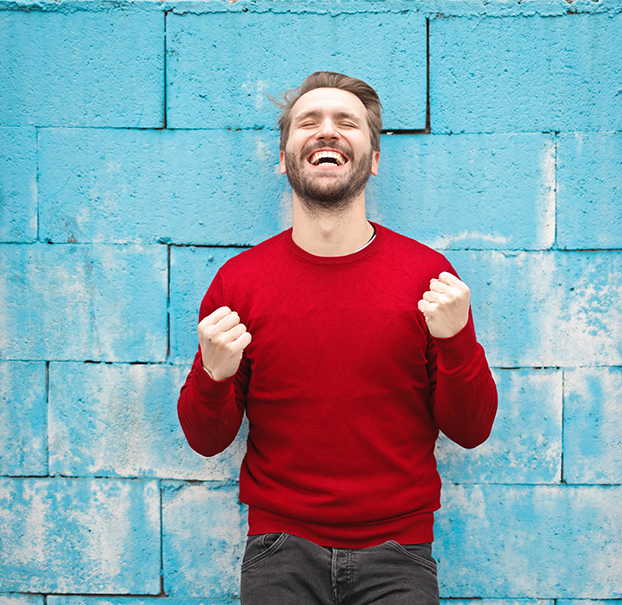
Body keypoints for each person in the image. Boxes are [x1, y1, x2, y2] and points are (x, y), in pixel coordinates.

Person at [177, 71, 498, 605]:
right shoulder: (239, 283)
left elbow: (471, 430)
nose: (327, 132)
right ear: (284, 157)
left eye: (346, 122)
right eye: (309, 122)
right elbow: (206, 440)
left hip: (400, 553)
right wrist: (214, 375)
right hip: (279, 552)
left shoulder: (428, 277)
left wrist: (458, 341)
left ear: (372, 159)